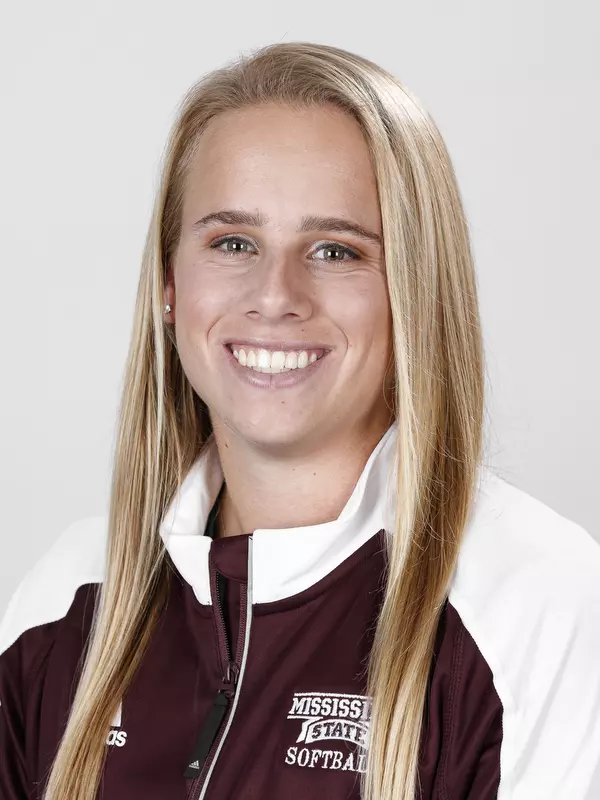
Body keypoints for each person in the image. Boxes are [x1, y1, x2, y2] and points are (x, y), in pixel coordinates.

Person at [1, 41, 599, 800]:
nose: (276, 294)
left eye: (333, 250)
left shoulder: (538, 602)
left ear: (415, 292)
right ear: (169, 285)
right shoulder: (68, 597)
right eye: (233, 242)